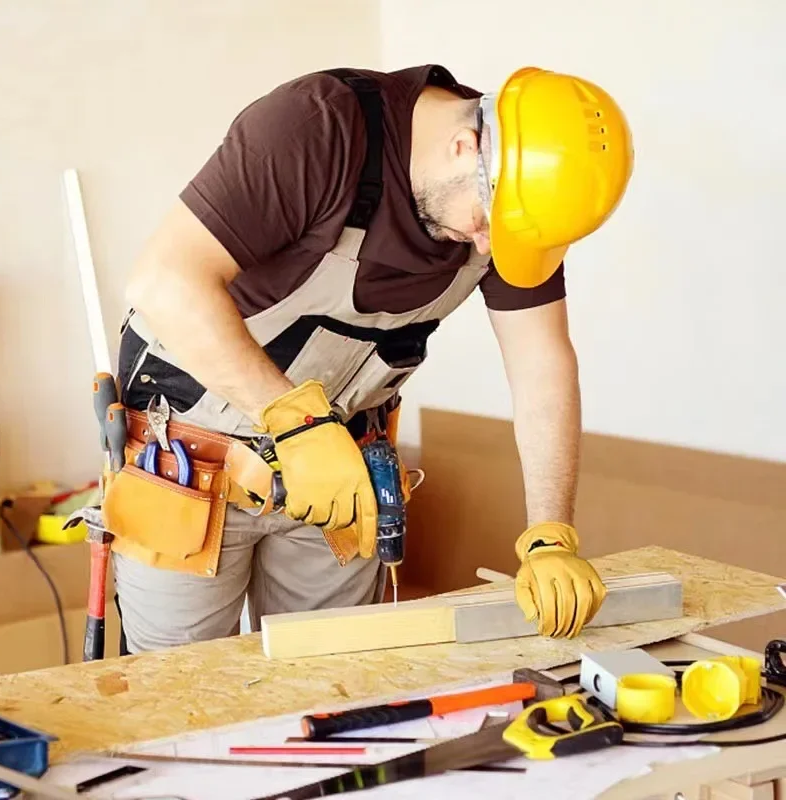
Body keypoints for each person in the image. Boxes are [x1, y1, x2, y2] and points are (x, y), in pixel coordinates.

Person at [103, 63, 634, 654]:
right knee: (183, 696)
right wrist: (292, 419)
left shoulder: (516, 204)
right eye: (489, 225)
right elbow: (163, 282)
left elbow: (542, 365)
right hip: (191, 464)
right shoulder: (317, 128)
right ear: (466, 147)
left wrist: (550, 533)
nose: (489, 247)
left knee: (335, 682)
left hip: (341, 476)